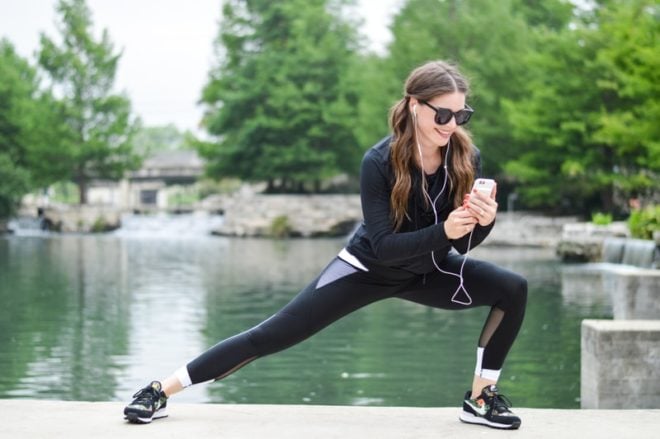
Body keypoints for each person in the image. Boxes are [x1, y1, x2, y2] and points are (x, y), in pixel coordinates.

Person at [123, 60, 527, 430]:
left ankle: (479, 400)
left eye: (461, 115)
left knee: (513, 289)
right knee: (268, 337)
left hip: (429, 270)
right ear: (414, 105)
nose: (451, 124)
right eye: (443, 114)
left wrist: (484, 221)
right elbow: (384, 245)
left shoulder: (466, 156)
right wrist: (445, 232)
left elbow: (467, 238)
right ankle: (159, 391)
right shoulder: (379, 162)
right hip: (365, 269)